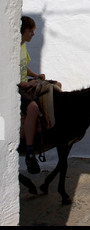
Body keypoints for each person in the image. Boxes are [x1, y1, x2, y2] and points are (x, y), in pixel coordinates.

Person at [19, 16, 50, 174]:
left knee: (55, 87)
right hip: (18, 87)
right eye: (30, 30)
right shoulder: (12, 48)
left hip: (26, 83)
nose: (33, 34)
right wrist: (24, 84)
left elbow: (25, 68)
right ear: (22, 31)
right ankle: (30, 152)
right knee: (32, 107)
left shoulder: (23, 46)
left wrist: (36, 75)